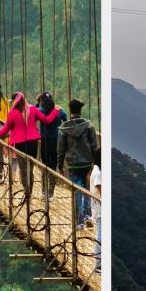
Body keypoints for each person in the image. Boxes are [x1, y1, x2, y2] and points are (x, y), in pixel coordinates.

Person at [0, 92, 60, 199]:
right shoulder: (33, 109)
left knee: (23, 168)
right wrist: (55, 111)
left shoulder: (12, 113)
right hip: (33, 143)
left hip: (20, 144)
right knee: (30, 167)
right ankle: (29, 188)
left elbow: (4, 130)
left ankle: (27, 191)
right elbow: (46, 120)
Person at [57, 98, 98, 227]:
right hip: (87, 163)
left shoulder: (64, 128)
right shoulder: (88, 125)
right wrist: (96, 164)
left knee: (76, 192)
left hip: (73, 164)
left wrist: (60, 166)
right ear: (81, 109)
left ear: (70, 110)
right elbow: (95, 146)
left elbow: (61, 149)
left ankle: (79, 222)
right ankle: (87, 216)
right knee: (87, 189)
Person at [36, 91, 67, 171]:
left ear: (42, 101)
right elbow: (66, 121)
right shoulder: (59, 110)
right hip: (56, 138)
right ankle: (52, 180)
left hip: (44, 138)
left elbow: (33, 115)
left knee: (45, 160)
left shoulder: (40, 110)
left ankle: (46, 178)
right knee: (54, 159)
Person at [89, 145, 101, 273]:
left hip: (97, 209)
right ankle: (98, 264)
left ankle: (99, 263)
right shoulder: (97, 173)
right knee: (100, 235)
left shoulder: (96, 170)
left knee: (100, 234)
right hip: (99, 210)